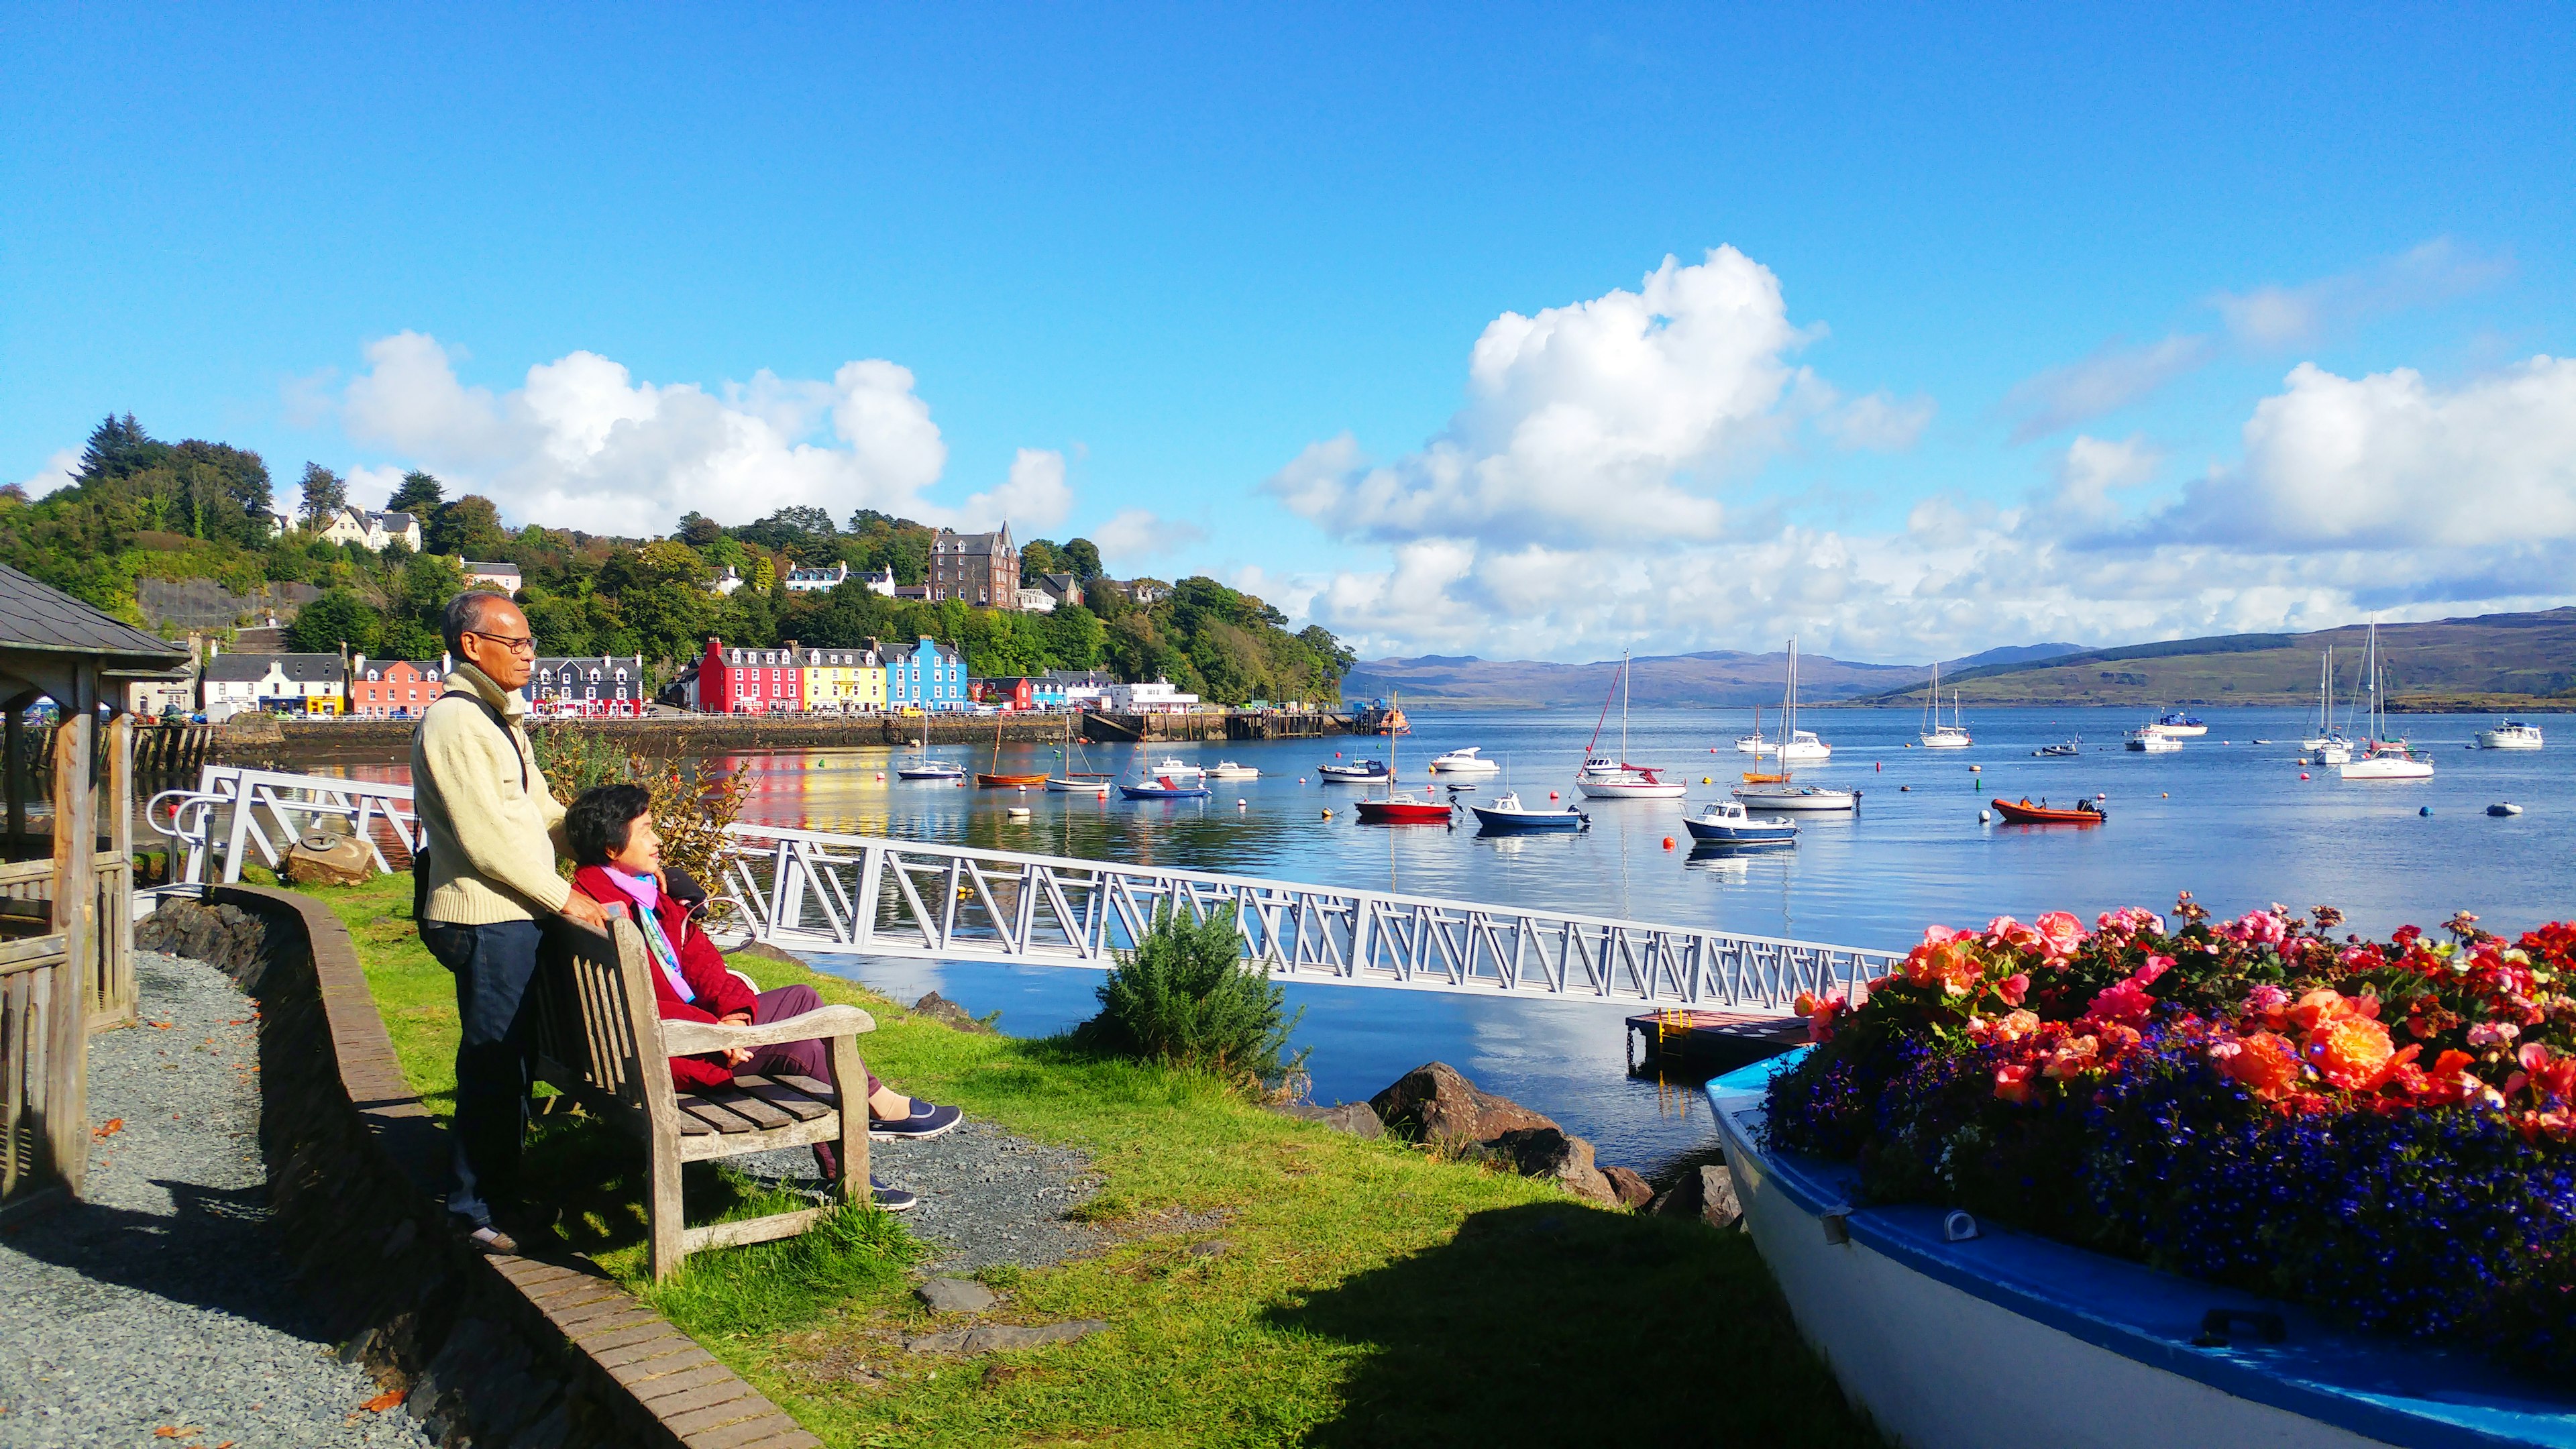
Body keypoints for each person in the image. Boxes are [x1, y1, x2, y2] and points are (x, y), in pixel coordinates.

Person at [561, 784, 963, 1210]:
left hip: (680, 1033)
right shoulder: (606, 911)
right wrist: (715, 1031)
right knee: (803, 1043)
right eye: (645, 831)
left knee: (802, 998)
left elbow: (704, 963)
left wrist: (735, 1015)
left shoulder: (637, 891)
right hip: (664, 1053)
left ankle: (868, 1124)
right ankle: (866, 1141)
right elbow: (637, 1003)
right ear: (611, 847)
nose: (658, 839)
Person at [412, 590, 608, 1254]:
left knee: (513, 1066)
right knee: (494, 1066)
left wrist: (611, 842)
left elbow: (540, 809)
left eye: (531, 642)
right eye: (517, 642)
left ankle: (499, 1193)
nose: (530, 654)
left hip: (510, 916)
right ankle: (474, 1210)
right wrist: (564, 899)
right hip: (486, 918)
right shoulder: (457, 724)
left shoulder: (498, 722)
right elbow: (487, 839)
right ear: (473, 646)